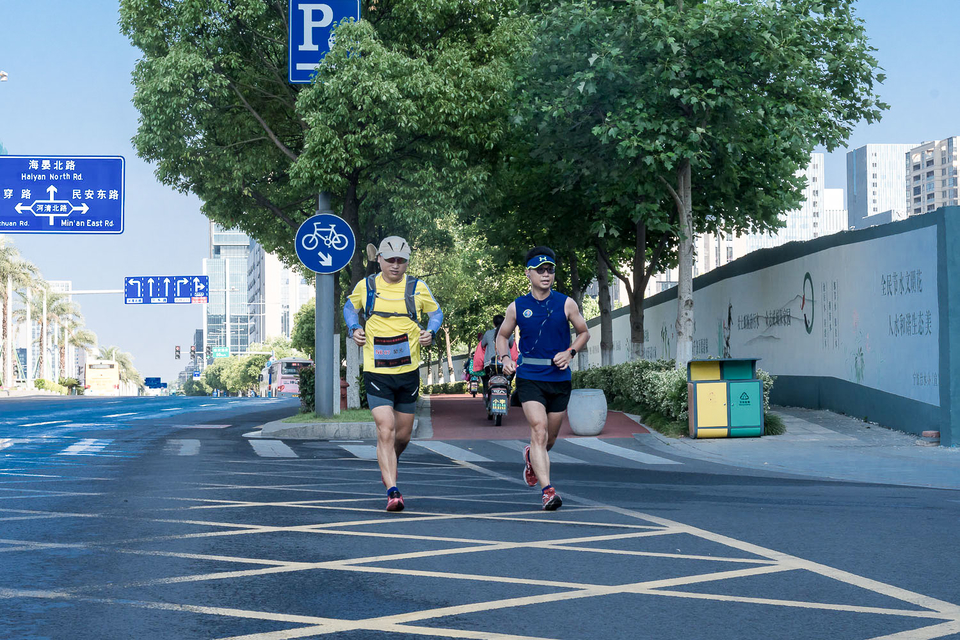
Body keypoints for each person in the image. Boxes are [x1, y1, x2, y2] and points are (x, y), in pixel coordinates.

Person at [343, 236, 443, 512]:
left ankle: (388, 460)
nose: (396, 267)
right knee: (385, 429)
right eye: (390, 261)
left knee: (402, 436)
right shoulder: (367, 286)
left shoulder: (417, 287)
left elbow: (436, 313)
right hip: (377, 372)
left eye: (401, 261)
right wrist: (354, 329)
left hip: (408, 371)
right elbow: (350, 308)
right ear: (379, 260)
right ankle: (392, 491)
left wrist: (430, 332)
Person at [497, 246, 590, 510]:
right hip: (529, 377)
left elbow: (584, 332)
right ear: (528, 274)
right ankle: (548, 491)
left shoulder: (566, 303)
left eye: (550, 270)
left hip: (559, 379)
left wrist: (570, 352)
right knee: (538, 430)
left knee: (548, 438)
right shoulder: (517, 307)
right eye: (540, 270)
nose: (546, 275)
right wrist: (505, 359)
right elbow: (502, 336)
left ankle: (530, 458)